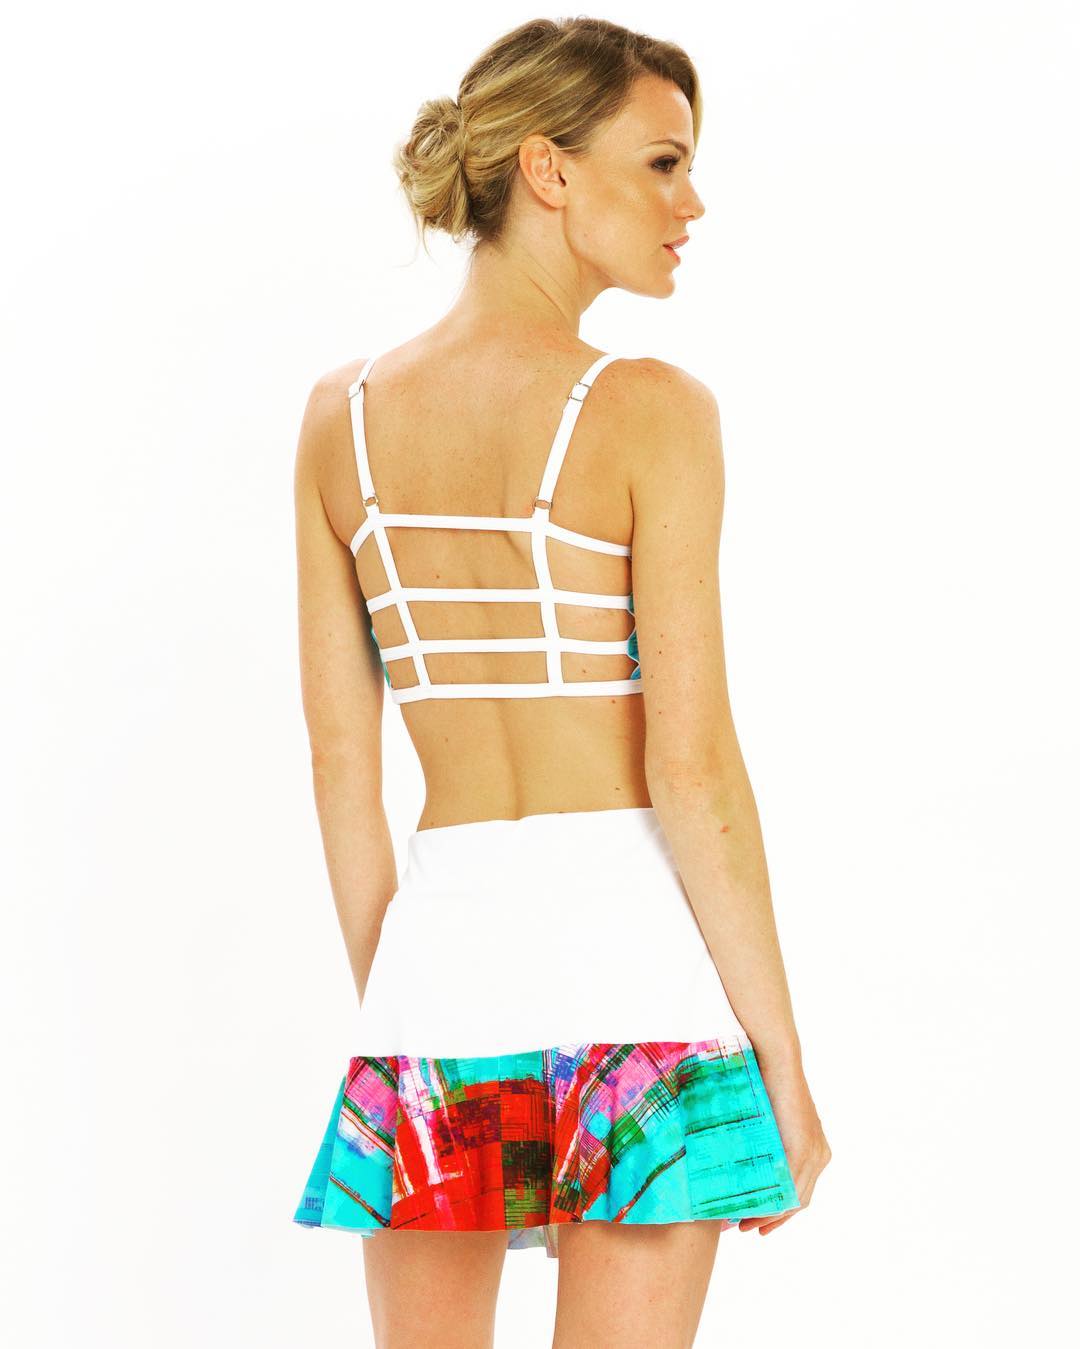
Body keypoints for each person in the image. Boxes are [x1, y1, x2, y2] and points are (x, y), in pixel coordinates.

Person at [290, 15, 830, 1348]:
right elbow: (691, 767)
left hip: (436, 964)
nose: (691, 203)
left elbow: (343, 771)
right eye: (663, 162)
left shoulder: (339, 419)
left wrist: (403, 1006)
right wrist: (781, 1058)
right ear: (548, 168)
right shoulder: (654, 408)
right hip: (634, 966)